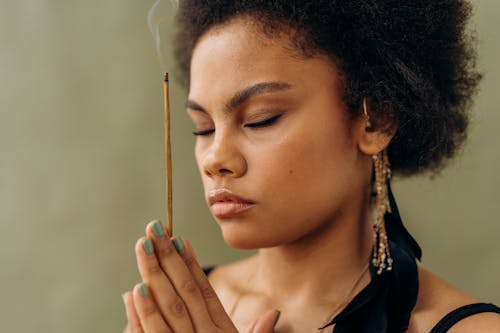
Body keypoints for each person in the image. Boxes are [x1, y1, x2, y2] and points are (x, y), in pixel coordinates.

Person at [122, 1, 500, 332]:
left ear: (376, 121)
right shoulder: (175, 317)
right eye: (203, 127)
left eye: (260, 119)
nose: (214, 158)